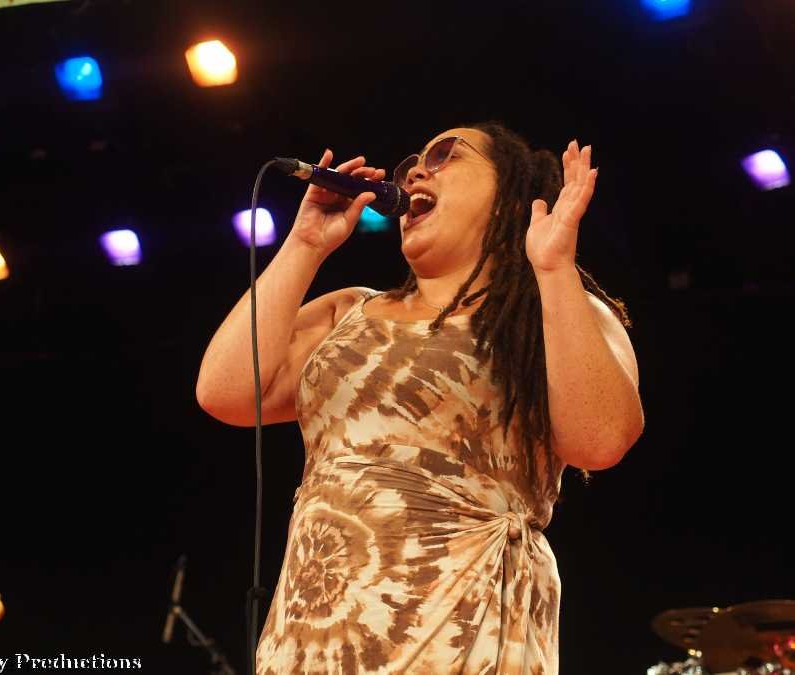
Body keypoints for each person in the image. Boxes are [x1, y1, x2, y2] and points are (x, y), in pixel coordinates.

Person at [195, 121, 644, 674]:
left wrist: (552, 270)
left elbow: (600, 440)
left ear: (509, 198)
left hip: (463, 629)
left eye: (446, 156)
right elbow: (224, 392)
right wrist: (305, 245)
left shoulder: (545, 312)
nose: (414, 174)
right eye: (412, 164)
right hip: (316, 633)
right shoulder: (348, 311)